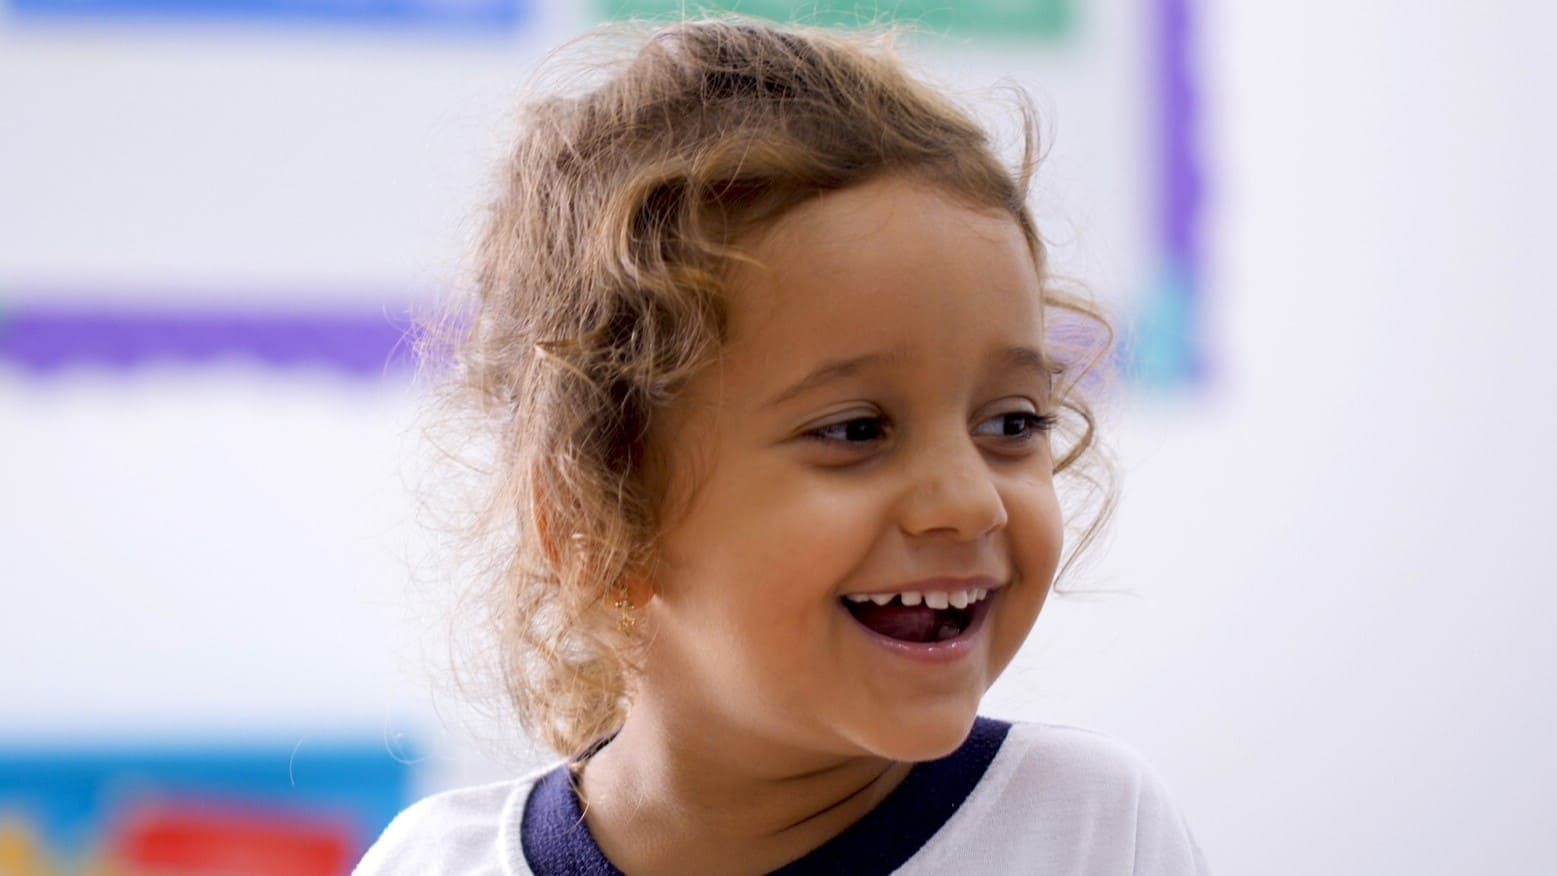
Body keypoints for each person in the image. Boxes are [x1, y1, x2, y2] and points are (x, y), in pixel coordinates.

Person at [357, 17, 1208, 875]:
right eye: (854, 431)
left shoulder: (1089, 829)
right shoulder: (429, 862)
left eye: (1012, 423)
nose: (971, 501)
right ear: (593, 515)